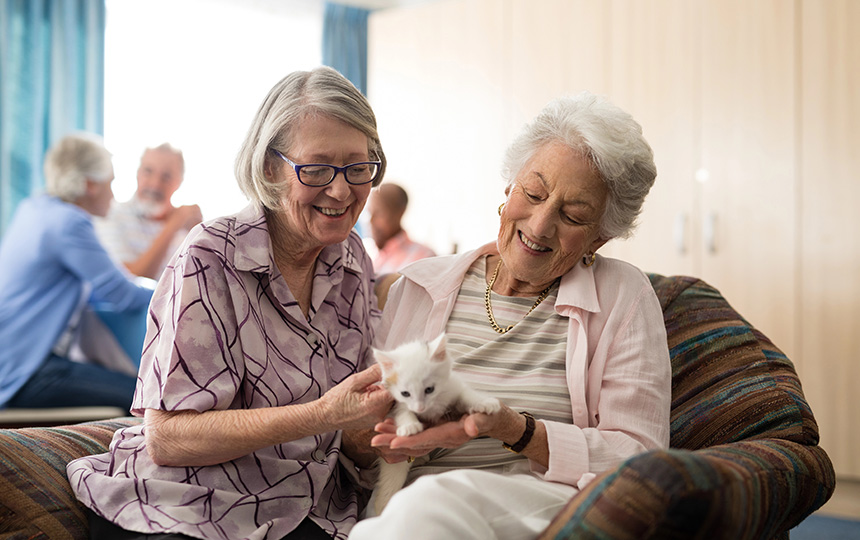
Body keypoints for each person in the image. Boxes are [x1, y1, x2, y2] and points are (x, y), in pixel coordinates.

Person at [67, 67, 395, 540]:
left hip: (308, 505)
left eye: (358, 167)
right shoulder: (211, 256)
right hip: (187, 504)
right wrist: (324, 415)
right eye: (317, 168)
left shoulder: (352, 261)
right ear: (270, 169)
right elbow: (170, 439)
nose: (342, 190)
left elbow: (350, 434)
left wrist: (380, 434)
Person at [348, 92, 672, 540]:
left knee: (425, 506)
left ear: (600, 238)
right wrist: (375, 437)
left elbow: (639, 458)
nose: (540, 225)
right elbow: (358, 444)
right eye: (533, 193)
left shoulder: (624, 296)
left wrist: (514, 429)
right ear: (508, 189)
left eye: (573, 215)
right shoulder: (418, 286)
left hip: (542, 507)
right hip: (409, 508)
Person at [0, 133, 154, 411]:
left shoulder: (34, 208)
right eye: (111, 182)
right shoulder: (69, 223)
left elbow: (96, 287)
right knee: (146, 395)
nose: (113, 193)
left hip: (12, 363)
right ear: (90, 185)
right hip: (25, 373)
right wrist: (175, 290)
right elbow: (122, 294)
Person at [95, 143, 203, 280]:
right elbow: (130, 280)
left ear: (179, 182)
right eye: (148, 171)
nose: (155, 184)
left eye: (167, 176)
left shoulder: (188, 226)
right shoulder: (111, 216)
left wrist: (200, 233)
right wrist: (173, 225)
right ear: (137, 173)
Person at [367, 183, 435, 275]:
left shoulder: (423, 258)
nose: (371, 221)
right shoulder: (367, 253)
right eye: (370, 213)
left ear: (400, 213)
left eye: (379, 213)